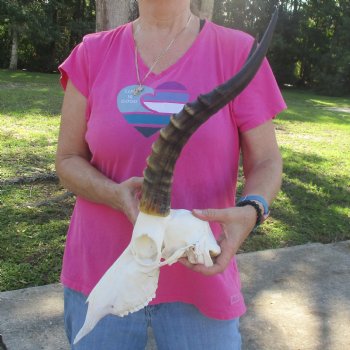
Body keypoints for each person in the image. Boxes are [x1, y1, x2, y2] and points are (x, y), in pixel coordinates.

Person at [56, 0, 286, 349]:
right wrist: (114, 194)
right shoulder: (92, 52)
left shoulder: (237, 52)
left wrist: (254, 208)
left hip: (200, 276)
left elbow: (267, 160)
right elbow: (68, 159)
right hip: (103, 276)